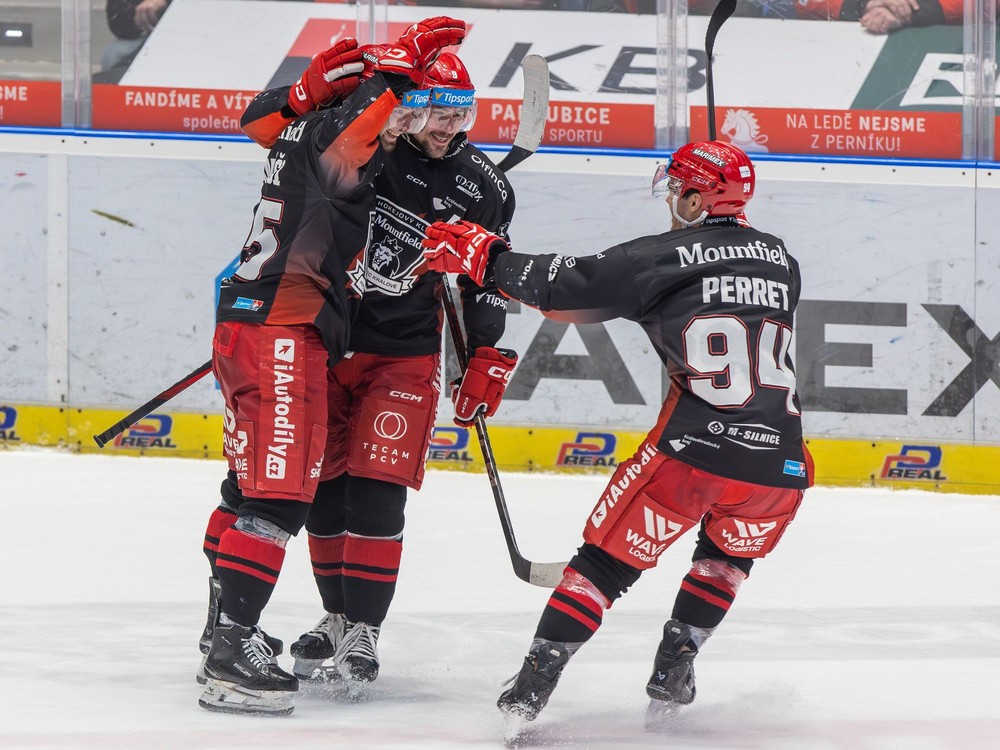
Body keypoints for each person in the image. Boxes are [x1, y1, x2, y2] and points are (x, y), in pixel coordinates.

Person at [420, 140, 813, 728]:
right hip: (779, 463)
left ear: (695, 198)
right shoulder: (782, 260)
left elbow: (562, 289)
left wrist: (484, 256)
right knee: (725, 560)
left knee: (602, 568)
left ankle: (529, 691)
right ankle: (675, 666)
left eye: (677, 190)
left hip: (691, 453)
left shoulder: (660, 258)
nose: (670, 201)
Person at [195, 17, 467, 717]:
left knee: (251, 488)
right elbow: (360, 121)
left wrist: (309, 87)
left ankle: (224, 629)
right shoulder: (332, 142)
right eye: (397, 108)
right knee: (282, 496)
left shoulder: (299, 129)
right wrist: (397, 68)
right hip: (281, 329)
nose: (404, 120)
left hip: (261, 321)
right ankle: (230, 653)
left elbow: (260, 120)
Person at [234, 50, 517, 693]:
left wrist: (484, 353)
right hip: (326, 340)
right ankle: (337, 616)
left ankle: (364, 629)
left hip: (404, 350)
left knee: (379, 487)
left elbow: (485, 281)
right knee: (323, 487)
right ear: (409, 108)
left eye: (461, 113)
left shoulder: (486, 187)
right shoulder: (368, 145)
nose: (448, 127)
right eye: (438, 112)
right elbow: (290, 169)